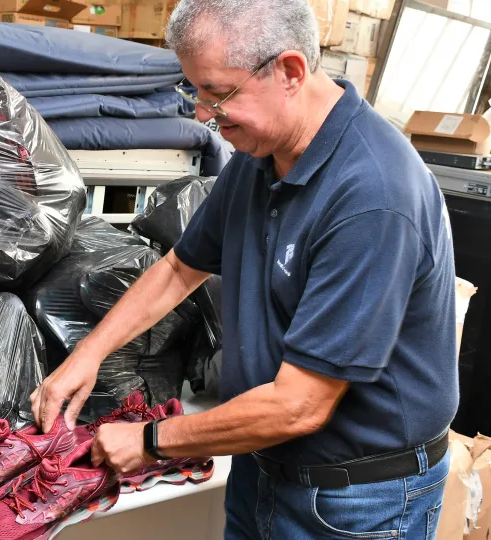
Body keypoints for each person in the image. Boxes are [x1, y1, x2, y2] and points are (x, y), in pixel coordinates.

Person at [29, 0, 460, 537]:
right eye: (196, 93)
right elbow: (179, 268)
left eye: (217, 93)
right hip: (263, 461)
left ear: (290, 71)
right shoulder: (262, 155)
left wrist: (150, 441)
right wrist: (87, 355)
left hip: (358, 497)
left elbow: (300, 406)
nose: (203, 116)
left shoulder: (373, 195)